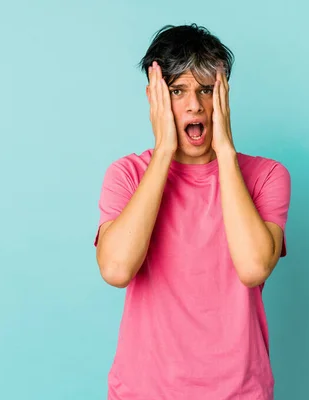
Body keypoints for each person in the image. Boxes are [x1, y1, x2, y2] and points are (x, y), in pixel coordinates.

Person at [94, 23, 291, 400]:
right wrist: (164, 150)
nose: (194, 105)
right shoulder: (127, 175)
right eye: (177, 91)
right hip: (144, 391)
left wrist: (226, 153)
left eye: (206, 89)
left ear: (224, 96)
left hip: (240, 392)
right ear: (155, 99)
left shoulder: (267, 176)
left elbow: (253, 268)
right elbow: (116, 269)